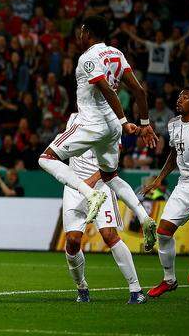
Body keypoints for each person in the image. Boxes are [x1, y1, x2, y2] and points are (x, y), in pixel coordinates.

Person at [37, 16, 158, 251]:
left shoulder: (88, 58)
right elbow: (139, 91)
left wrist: (125, 122)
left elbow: (104, 87)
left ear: (87, 33)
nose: (79, 36)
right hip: (112, 128)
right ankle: (144, 218)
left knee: (46, 158)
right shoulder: (116, 54)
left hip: (92, 123)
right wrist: (144, 123)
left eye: (81, 31)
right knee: (110, 176)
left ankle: (89, 194)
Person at [61, 113, 146, 304]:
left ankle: (136, 289)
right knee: (73, 242)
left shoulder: (112, 122)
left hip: (102, 186)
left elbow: (112, 162)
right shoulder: (73, 118)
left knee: (109, 235)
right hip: (74, 189)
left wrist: (91, 180)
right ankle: (81, 287)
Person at [142, 87, 189, 302]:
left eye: (185, 98)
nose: (179, 100)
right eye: (179, 97)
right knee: (163, 232)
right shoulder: (173, 124)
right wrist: (157, 180)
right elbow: (174, 155)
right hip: (184, 186)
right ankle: (169, 280)